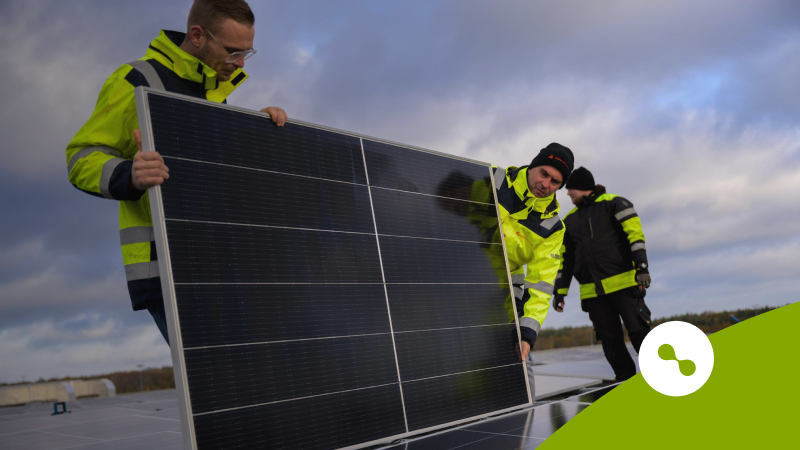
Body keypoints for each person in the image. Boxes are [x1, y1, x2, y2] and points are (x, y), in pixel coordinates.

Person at [65, 0, 287, 345]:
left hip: (219, 265)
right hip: (168, 268)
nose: (240, 64)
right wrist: (130, 174)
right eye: (231, 52)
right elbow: (80, 158)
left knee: (245, 380)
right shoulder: (135, 80)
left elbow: (211, 173)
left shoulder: (213, 93)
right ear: (197, 35)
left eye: (247, 53)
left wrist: (254, 132)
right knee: (215, 382)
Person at [552, 166, 652, 381]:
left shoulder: (615, 203)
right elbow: (565, 259)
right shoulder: (568, 220)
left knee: (638, 331)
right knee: (609, 339)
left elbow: (635, 236)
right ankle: (625, 382)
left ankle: (663, 376)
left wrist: (642, 268)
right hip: (592, 292)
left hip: (624, 284)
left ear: (583, 188)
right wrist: (560, 291)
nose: (568, 193)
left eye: (571, 189)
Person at [493, 143, 574, 399]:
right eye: (543, 173)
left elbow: (541, 283)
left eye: (555, 181)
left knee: (518, 359)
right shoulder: (493, 179)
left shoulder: (553, 226)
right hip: (455, 274)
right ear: (532, 166)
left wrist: (528, 334)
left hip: (502, 293)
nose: (545, 183)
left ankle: (523, 414)